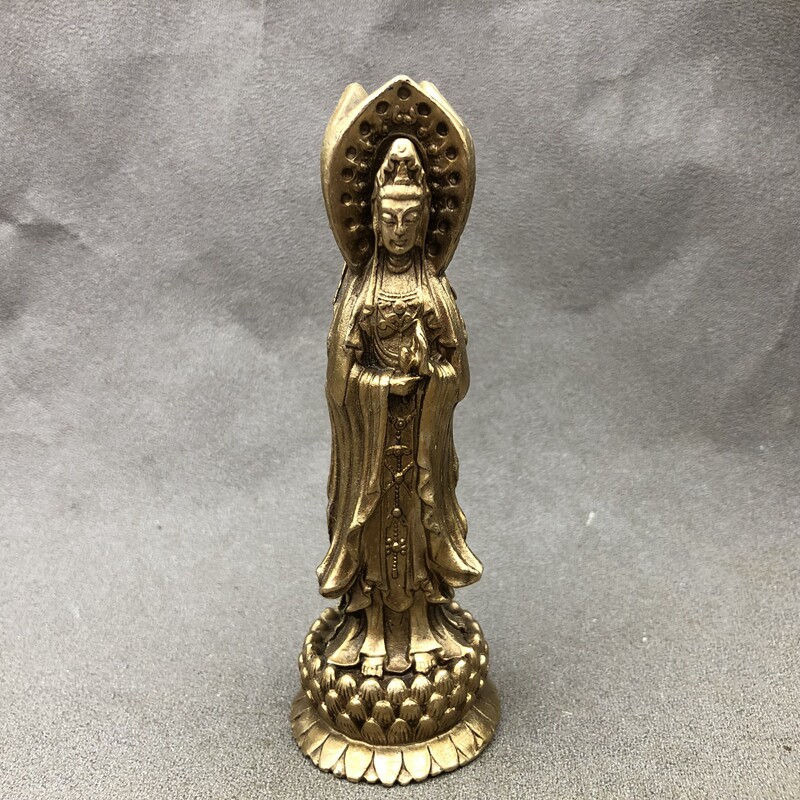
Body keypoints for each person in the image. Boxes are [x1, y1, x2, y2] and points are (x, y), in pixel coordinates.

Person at [317, 137, 483, 677]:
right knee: (370, 530)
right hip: (373, 441)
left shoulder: (433, 289)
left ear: (426, 217)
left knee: (418, 526)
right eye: (389, 218)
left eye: (411, 218)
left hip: (418, 444)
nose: (399, 230)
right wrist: (381, 386)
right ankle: (368, 629)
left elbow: (458, 375)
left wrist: (431, 377)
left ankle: (423, 627)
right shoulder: (360, 292)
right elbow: (339, 384)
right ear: (373, 217)